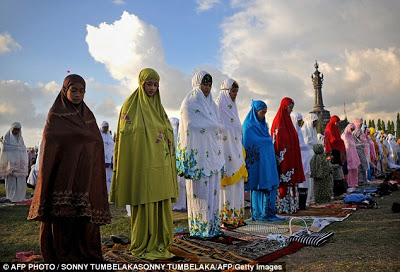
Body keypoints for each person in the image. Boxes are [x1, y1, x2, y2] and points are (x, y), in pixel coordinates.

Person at [28, 74, 111, 262]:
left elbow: (96, 140)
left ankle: (84, 251)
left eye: (82, 91)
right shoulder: (56, 115)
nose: (78, 94)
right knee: (63, 214)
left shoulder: (88, 115)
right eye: (74, 90)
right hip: (63, 175)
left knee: (84, 216)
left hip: (84, 174)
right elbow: (51, 140)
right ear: (65, 91)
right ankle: (62, 253)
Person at [110, 68, 178, 260]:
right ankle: (143, 242)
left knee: (160, 202)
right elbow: (125, 138)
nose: (153, 88)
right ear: (141, 83)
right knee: (144, 201)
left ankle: (160, 241)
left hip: (160, 167)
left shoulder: (159, 108)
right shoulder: (130, 106)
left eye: (156, 85)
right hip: (141, 165)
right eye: (149, 84)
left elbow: (168, 133)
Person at [176, 71, 224, 238]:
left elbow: (219, 125)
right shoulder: (189, 103)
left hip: (213, 154)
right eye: (204, 84)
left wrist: (213, 126)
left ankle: (212, 226)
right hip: (199, 157)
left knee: (213, 192)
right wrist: (212, 126)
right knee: (201, 193)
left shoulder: (212, 104)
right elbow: (190, 126)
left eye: (210, 85)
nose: (207, 88)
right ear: (197, 84)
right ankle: (200, 228)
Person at [216, 79, 248, 228]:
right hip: (225, 154)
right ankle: (226, 219)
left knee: (237, 186)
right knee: (227, 187)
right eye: (232, 91)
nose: (234, 94)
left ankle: (236, 217)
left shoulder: (233, 110)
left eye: (236, 92)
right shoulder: (218, 109)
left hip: (236, 154)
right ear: (225, 91)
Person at [243, 100, 281, 221]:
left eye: (265, 113)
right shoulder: (248, 125)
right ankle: (259, 213)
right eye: (261, 112)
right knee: (258, 185)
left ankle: (268, 212)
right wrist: (266, 141)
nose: (263, 115)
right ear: (255, 111)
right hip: (257, 162)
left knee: (268, 184)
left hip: (266, 162)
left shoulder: (263, 125)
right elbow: (249, 142)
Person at [271, 97, 305, 214]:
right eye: (290, 107)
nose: (291, 110)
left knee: (291, 182)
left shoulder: (289, 122)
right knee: (283, 182)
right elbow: (277, 141)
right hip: (283, 159)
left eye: (292, 108)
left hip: (291, 158)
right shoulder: (278, 121)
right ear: (285, 107)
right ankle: (282, 207)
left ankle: (292, 206)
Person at [0, 122, 28, 202]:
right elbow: (5, 151)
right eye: (15, 129)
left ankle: (20, 197)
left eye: (18, 130)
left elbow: (23, 150)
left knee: (20, 180)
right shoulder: (7, 138)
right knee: (11, 181)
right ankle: (11, 197)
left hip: (20, 164)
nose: (16, 131)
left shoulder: (21, 139)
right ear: (12, 129)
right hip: (10, 164)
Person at [291, 112, 312, 209]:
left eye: (301, 121)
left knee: (304, 182)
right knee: (299, 183)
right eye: (299, 121)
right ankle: (299, 204)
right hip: (297, 161)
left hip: (304, 161)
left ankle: (303, 203)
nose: (300, 123)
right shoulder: (292, 131)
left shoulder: (298, 131)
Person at [301, 113, 322, 204]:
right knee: (308, 177)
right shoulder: (304, 130)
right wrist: (317, 144)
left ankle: (312, 195)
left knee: (312, 176)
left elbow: (315, 141)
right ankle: (307, 197)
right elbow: (306, 142)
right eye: (314, 122)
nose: (316, 124)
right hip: (307, 155)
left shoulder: (312, 131)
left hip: (313, 155)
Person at [169, 117, 187, 212]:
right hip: (172, 164)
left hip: (180, 162)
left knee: (181, 184)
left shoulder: (181, 135)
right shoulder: (170, 135)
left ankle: (181, 204)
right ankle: (175, 205)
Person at [341, 123, 360, 191]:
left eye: (353, 130)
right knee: (348, 171)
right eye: (351, 129)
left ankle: (354, 183)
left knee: (354, 170)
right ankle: (349, 183)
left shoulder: (351, 136)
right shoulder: (344, 136)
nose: (352, 131)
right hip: (347, 156)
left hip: (353, 156)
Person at [100, 121, 114, 196]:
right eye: (104, 127)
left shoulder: (110, 136)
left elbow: (112, 147)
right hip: (102, 161)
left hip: (110, 162)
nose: (106, 129)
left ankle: (109, 194)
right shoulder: (99, 136)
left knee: (109, 178)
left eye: (107, 127)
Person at [353, 118, 369, 185]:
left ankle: (363, 179)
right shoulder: (357, 131)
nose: (361, 125)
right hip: (358, 149)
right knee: (361, 165)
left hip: (361, 148)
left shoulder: (358, 130)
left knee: (363, 165)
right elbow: (359, 139)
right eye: (360, 123)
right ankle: (361, 180)